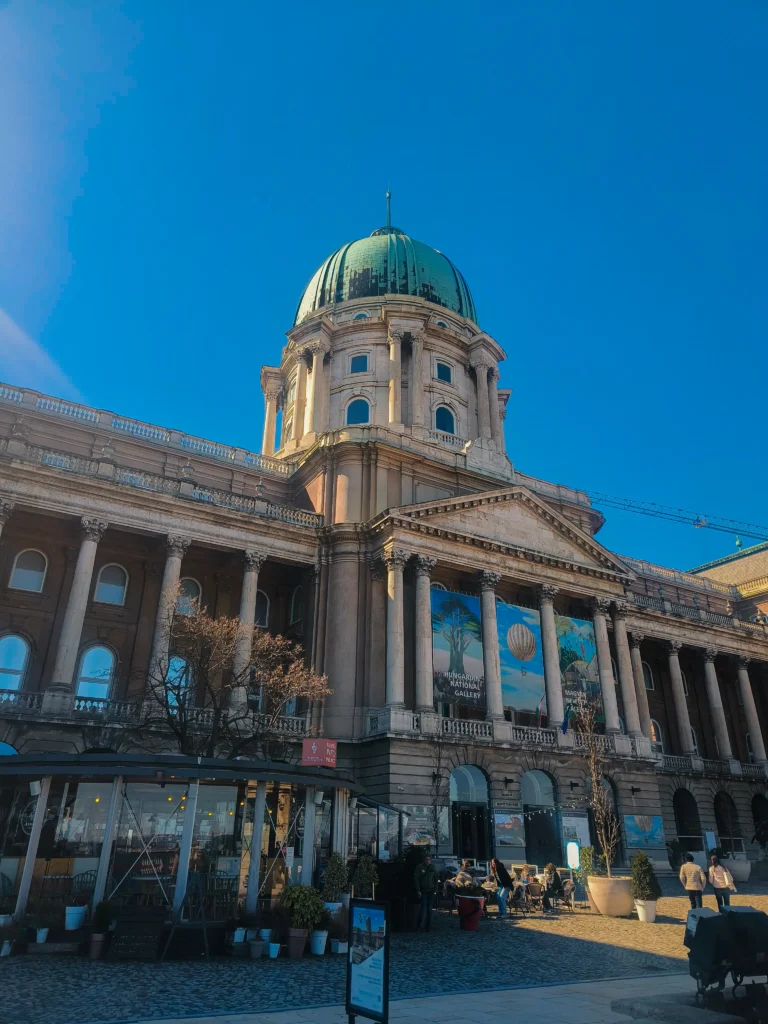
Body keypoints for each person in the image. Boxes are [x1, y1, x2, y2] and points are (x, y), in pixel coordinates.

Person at [414, 853, 439, 931]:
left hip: (431, 890)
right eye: (426, 859)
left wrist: (435, 890)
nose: (428, 861)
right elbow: (416, 879)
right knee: (423, 908)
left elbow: (436, 879)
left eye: (429, 859)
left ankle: (428, 926)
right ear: (424, 860)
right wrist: (418, 890)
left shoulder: (433, 867)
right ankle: (419, 926)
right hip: (423, 891)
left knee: (429, 909)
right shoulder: (419, 867)